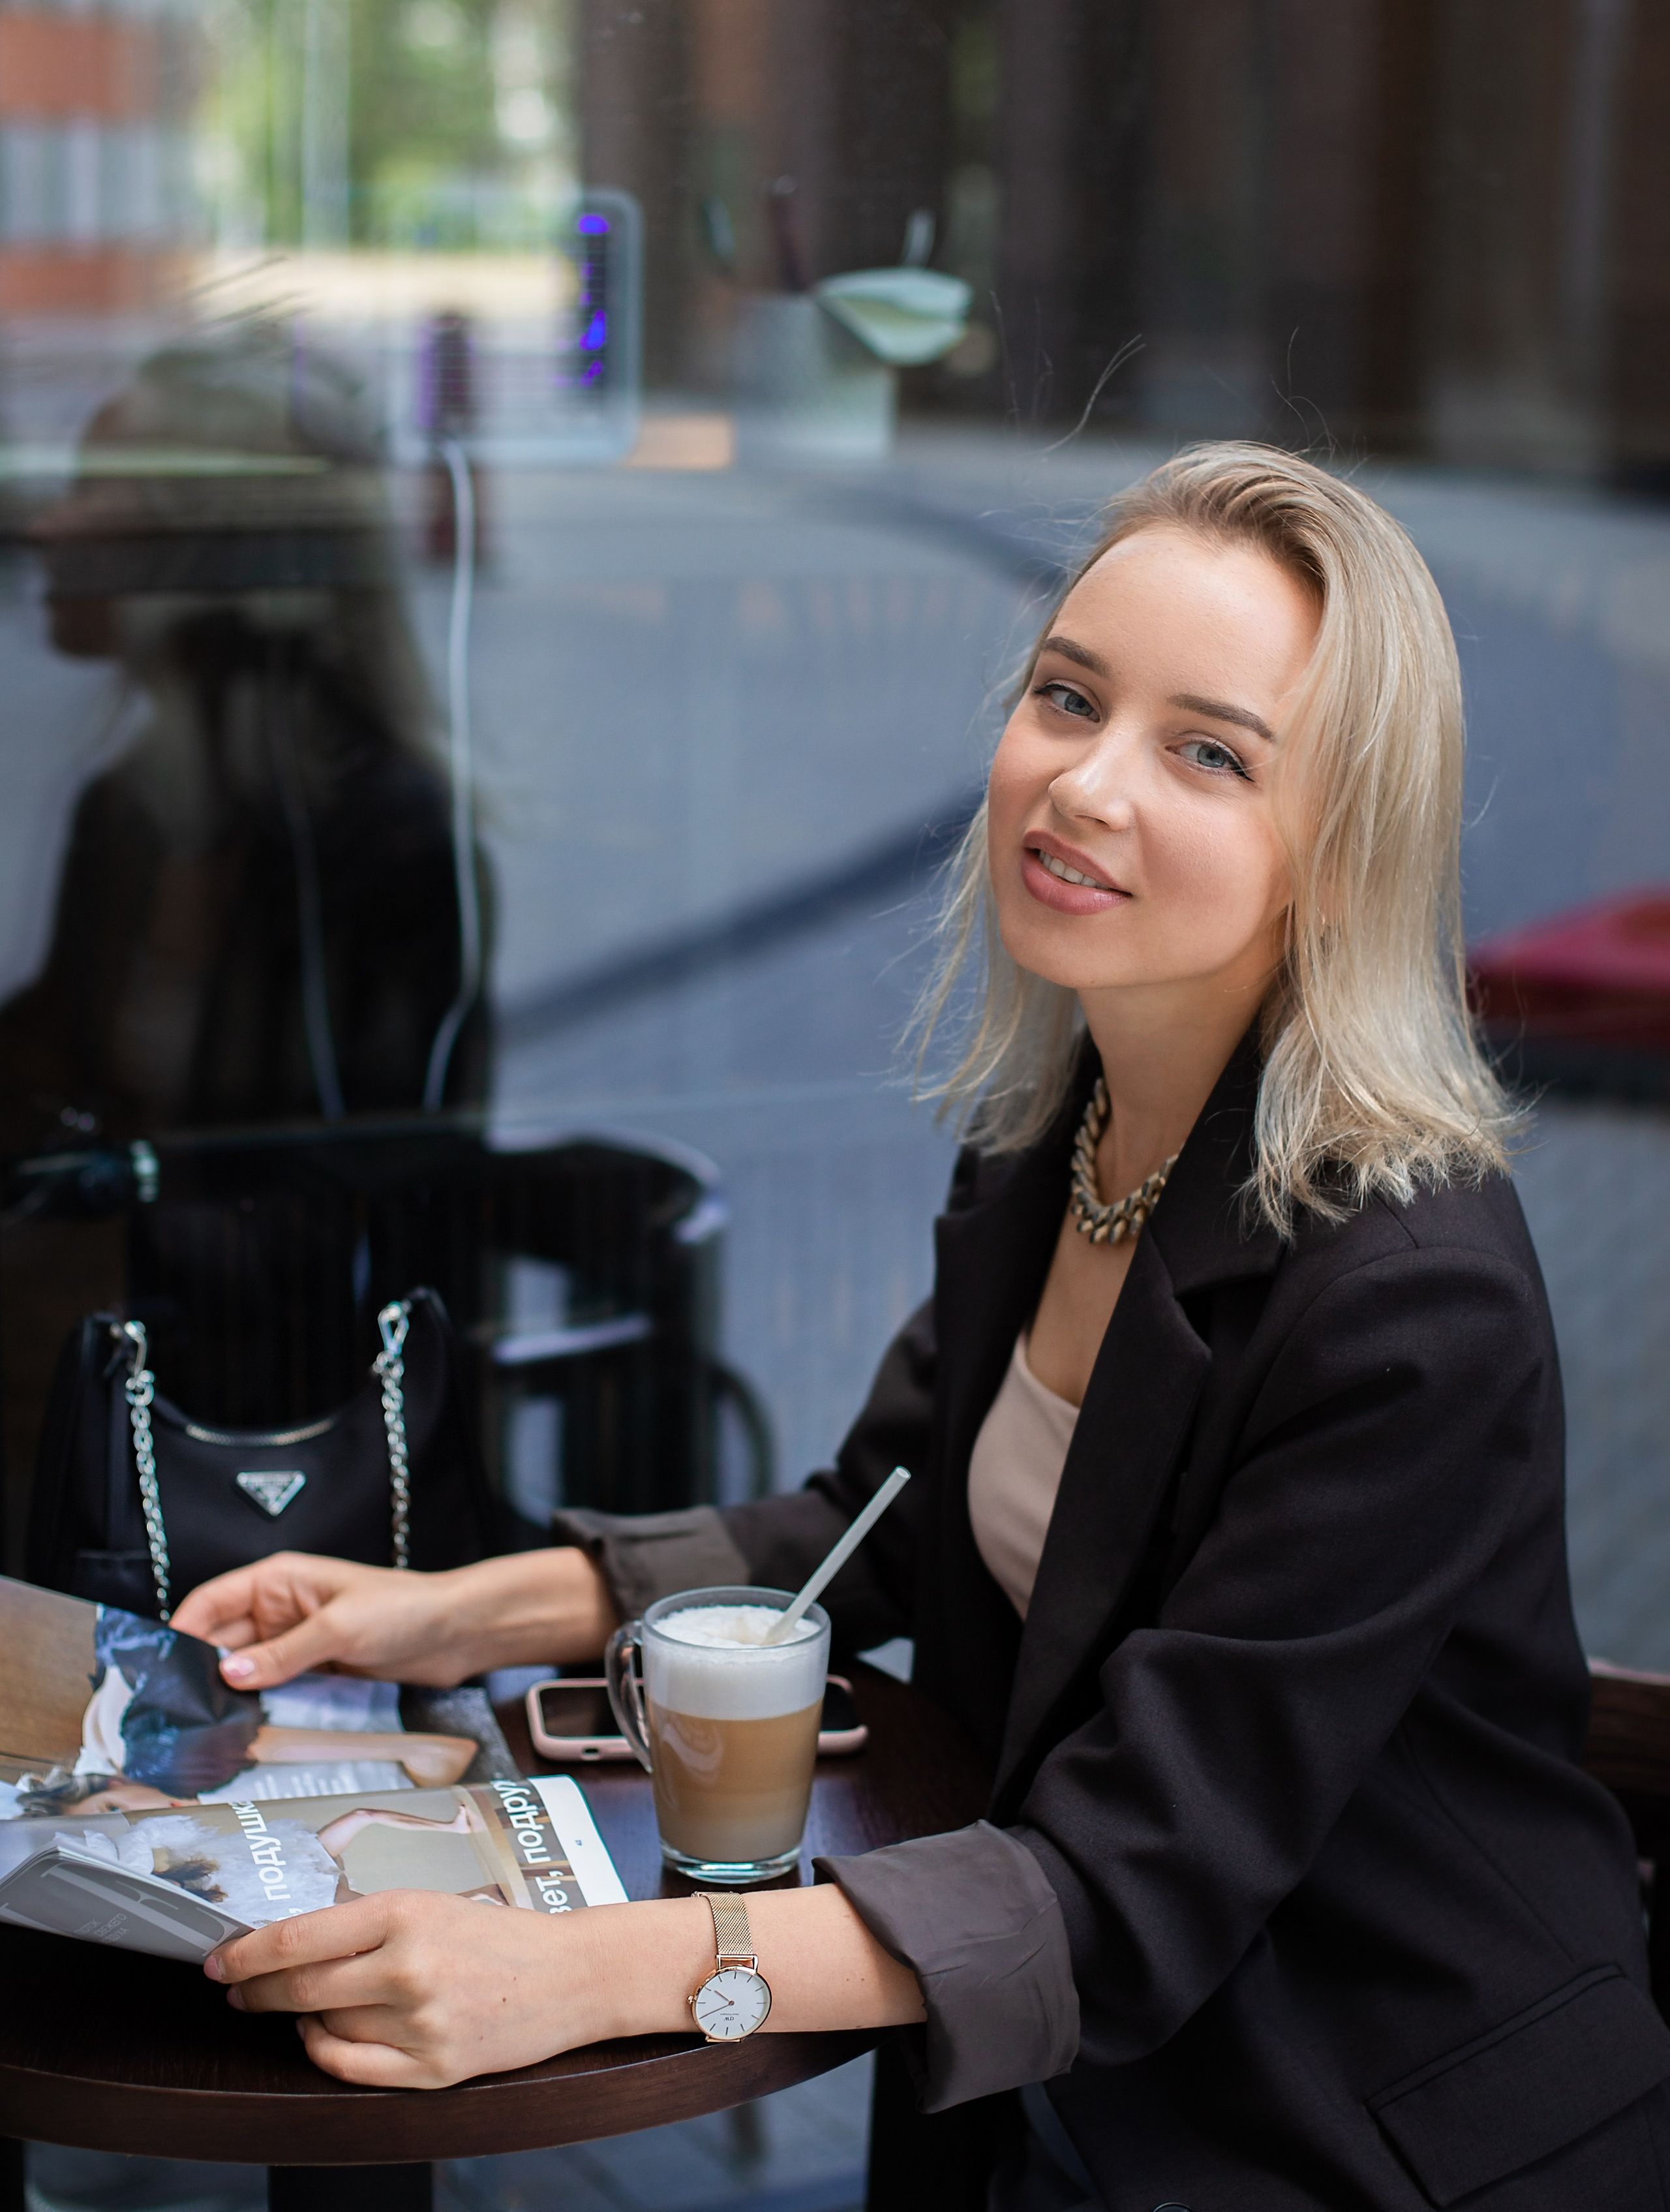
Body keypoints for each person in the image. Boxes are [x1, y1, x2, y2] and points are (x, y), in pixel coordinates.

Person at [173, 446, 1670, 2212]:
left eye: (1207, 751)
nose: (1086, 785)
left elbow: (1126, 1886)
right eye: (1067, 697)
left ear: (1336, 856)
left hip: (1371, 2122)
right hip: (1058, 2087)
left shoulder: (1415, 1298)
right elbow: (868, 1524)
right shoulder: (1063, 1138)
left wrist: (572, 1978)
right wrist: (445, 1611)